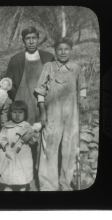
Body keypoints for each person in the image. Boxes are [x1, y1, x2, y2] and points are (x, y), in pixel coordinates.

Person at [34, 37, 87, 191]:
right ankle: (48, 186)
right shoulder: (48, 67)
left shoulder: (76, 68)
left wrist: (83, 99)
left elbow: (82, 87)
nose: (63, 52)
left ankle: (65, 184)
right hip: (52, 114)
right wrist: (43, 112)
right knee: (49, 149)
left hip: (72, 114)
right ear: (55, 51)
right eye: (60, 49)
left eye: (66, 49)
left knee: (69, 150)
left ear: (71, 50)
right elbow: (40, 91)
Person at [6, 26, 55, 176]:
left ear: (38, 39)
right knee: (23, 137)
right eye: (28, 39)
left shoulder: (48, 57)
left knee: (42, 139)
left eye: (34, 38)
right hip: (23, 104)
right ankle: (23, 174)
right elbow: (9, 84)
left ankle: (41, 173)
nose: (31, 41)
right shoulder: (16, 59)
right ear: (23, 41)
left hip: (42, 104)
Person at [0, 101, 38, 191]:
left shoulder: (27, 126)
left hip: (22, 155)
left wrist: (33, 136)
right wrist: (6, 146)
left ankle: (22, 188)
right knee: (8, 172)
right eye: (14, 112)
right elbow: (1, 137)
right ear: (10, 113)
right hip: (8, 153)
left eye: (20, 113)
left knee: (22, 171)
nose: (17, 115)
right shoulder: (7, 125)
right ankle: (8, 187)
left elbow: (32, 142)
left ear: (25, 114)